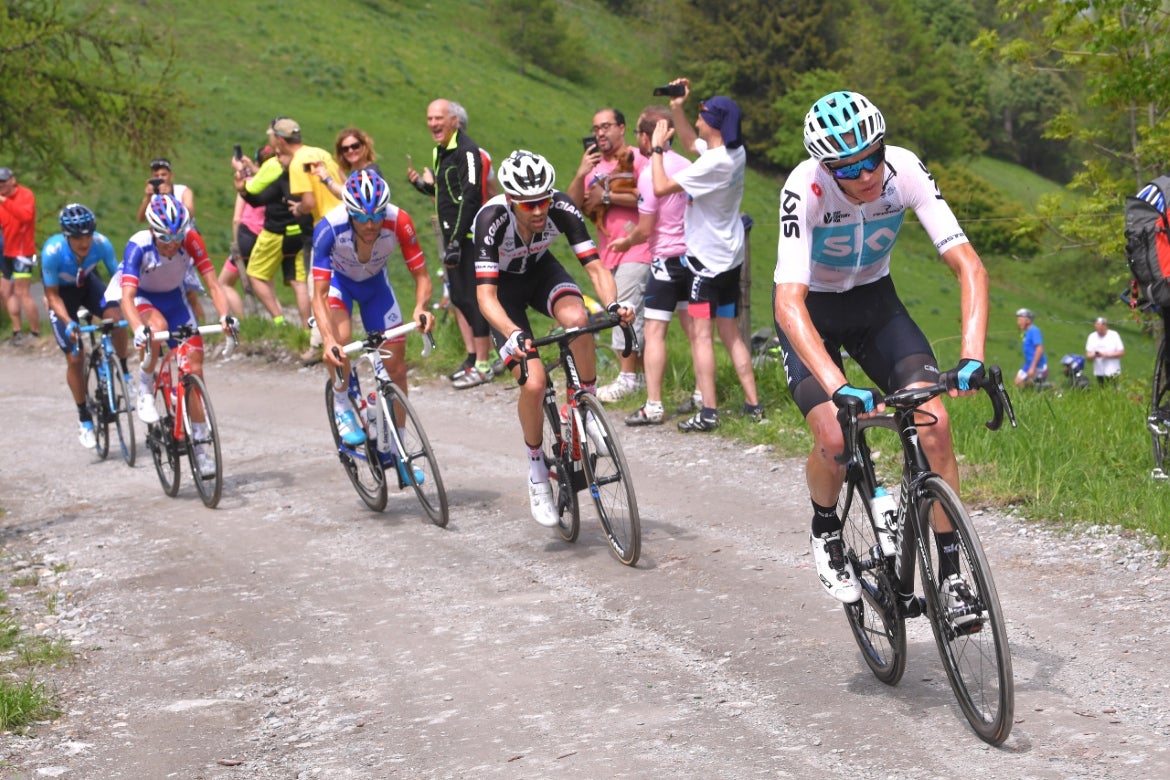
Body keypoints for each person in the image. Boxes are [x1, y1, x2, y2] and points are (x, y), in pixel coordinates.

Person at [773, 91, 989, 618]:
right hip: (812, 316)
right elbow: (787, 301)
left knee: (934, 424)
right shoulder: (805, 189)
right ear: (828, 167)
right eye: (851, 168)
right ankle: (826, 528)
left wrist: (971, 355)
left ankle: (953, 578)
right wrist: (837, 384)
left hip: (876, 305)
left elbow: (969, 267)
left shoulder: (906, 170)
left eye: (873, 156)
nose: (868, 174)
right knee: (834, 434)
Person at [472, 150, 633, 528]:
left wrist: (613, 304)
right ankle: (536, 471)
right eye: (529, 203)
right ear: (512, 201)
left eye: (544, 199)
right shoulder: (491, 219)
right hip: (501, 291)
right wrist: (512, 334)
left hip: (540, 271)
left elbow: (594, 265)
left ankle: (583, 404)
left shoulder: (560, 206)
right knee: (534, 382)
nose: (539, 209)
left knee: (579, 320)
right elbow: (485, 298)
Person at [649, 81, 762, 431]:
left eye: (700, 116)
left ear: (713, 123)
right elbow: (689, 142)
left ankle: (709, 411)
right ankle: (753, 404)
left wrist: (656, 150)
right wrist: (678, 108)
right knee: (730, 333)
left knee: (701, 335)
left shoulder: (713, 164)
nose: (697, 121)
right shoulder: (733, 152)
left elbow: (660, 188)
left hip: (704, 265)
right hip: (730, 260)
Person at [313, 170, 435, 479]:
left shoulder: (399, 222)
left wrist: (420, 308)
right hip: (339, 286)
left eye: (376, 216)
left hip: (375, 287)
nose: (370, 225)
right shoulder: (328, 228)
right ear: (349, 212)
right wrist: (327, 340)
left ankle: (399, 451)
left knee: (395, 368)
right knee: (341, 340)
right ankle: (342, 403)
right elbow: (319, 294)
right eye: (362, 218)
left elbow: (421, 275)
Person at [118, 195, 235, 477]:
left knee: (194, 369)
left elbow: (214, 285)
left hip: (175, 300)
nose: (172, 243)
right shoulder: (138, 245)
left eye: (178, 236)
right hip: (144, 300)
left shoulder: (191, 240)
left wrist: (224, 316)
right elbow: (127, 297)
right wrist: (138, 329)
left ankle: (200, 447)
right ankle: (145, 386)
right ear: (152, 231)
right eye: (165, 237)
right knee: (155, 330)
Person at [606, 105, 697, 426]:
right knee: (696, 332)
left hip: (665, 261)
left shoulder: (649, 175)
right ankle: (702, 394)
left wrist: (624, 242)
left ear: (647, 137)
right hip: (693, 259)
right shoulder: (687, 165)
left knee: (656, 333)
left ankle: (654, 404)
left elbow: (645, 229)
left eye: (638, 135)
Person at [407, 99, 496, 389]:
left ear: (454, 121)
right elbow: (446, 192)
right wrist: (422, 186)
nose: (433, 123)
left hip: (468, 237)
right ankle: (472, 358)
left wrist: (457, 240)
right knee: (458, 298)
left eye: (439, 118)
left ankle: (484, 363)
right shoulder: (440, 151)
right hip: (451, 237)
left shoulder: (468, 151)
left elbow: (470, 197)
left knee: (473, 298)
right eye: (429, 118)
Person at [568, 107, 652, 404]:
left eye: (606, 126)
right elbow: (572, 205)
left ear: (622, 128)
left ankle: (626, 378)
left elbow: (647, 196)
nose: (600, 133)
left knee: (623, 310)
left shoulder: (639, 160)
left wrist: (606, 196)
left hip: (638, 247)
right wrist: (581, 173)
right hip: (607, 252)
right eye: (596, 128)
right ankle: (639, 378)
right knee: (627, 311)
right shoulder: (593, 166)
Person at [41, 204, 128, 448]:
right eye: (78, 237)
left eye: (88, 235)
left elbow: (119, 277)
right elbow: (53, 296)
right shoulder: (53, 251)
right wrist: (69, 323)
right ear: (67, 237)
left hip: (88, 284)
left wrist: (132, 305)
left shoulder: (101, 243)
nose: (84, 242)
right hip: (61, 296)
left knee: (116, 317)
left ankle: (124, 369)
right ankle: (84, 418)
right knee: (75, 357)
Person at [268, 117, 342, 363]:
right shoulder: (319, 152)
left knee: (316, 286)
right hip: (344, 218)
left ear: (280, 140)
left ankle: (319, 343)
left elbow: (309, 203)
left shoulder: (297, 163)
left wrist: (298, 209)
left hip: (323, 226)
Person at [232, 144, 310, 325]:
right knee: (299, 282)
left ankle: (278, 320)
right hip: (298, 234)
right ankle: (307, 327)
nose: (278, 160)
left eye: (280, 156)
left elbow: (258, 199)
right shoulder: (301, 175)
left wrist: (242, 189)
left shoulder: (282, 177)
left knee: (255, 275)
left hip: (275, 232)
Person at [221, 144, 275, 318]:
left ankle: (243, 320)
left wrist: (236, 244)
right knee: (266, 285)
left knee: (224, 283)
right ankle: (278, 320)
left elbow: (237, 218)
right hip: (267, 237)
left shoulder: (248, 184)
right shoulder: (276, 184)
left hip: (247, 236)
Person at [0, 166, 40, 343]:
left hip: (24, 250)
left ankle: (35, 332)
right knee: (6, 290)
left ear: (12, 180)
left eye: (3, 181)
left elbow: (25, 216)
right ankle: (17, 332)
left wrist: (5, 202)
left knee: (23, 291)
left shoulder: (25, 195)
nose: (1, 185)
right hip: (5, 250)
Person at [134, 158, 194, 223]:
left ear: (171, 175)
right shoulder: (153, 196)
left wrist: (170, 196)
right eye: (156, 176)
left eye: (163, 175)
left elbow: (190, 213)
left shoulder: (183, 191)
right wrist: (148, 198)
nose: (160, 178)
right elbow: (140, 219)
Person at [1085, 316, 1124, 385]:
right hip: (1099, 371)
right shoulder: (1092, 336)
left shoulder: (1114, 335)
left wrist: (1106, 355)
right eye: (1097, 326)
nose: (1099, 329)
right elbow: (1088, 354)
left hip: (1113, 371)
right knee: (1102, 390)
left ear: (1105, 326)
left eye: (1101, 326)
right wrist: (1095, 355)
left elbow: (1121, 352)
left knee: (1113, 390)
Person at [1015, 308, 1048, 388]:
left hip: (1037, 365)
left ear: (1027, 320)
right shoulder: (1027, 332)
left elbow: (1039, 349)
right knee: (1018, 381)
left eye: (1020, 320)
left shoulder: (1034, 331)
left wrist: (1033, 367)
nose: (1018, 323)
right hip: (1028, 364)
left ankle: (1049, 388)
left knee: (1028, 385)